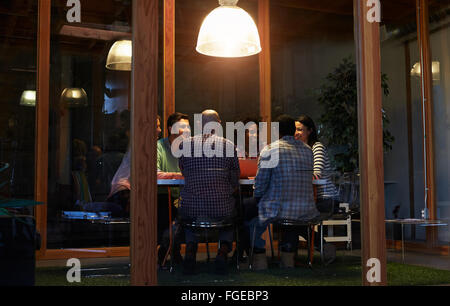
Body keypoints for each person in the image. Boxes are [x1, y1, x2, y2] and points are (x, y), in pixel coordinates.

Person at [244, 115, 319, 270]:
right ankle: (288, 258)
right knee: (291, 214)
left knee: (246, 210)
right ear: (293, 130)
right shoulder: (307, 151)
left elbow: (260, 184)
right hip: (305, 208)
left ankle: (259, 257)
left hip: (278, 208)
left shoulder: (270, 150)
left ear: (277, 131)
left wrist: (258, 197)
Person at [178, 110, 240, 275]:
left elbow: (184, 172)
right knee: (231, 213)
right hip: (221, 207)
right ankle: (222, 252)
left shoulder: (185, 145)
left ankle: (190, 251)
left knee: (189, 214)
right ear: (218, 124)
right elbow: (235, 179)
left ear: (199, 124)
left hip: (192, 207)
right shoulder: (228, 145)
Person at [295, 114, 338, 264]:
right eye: (295, 129)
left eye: (300, 129)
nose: (296, 133)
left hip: (326, 199)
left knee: (294, 218)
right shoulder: (301, 151)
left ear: (310, 131)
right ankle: (323, 247)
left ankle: (324, 247)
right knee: (291, 217)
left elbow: (316, 175)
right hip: (313, 198)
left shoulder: (316, 147)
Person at [156, 112, 190, 267]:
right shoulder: (159, 147)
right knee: (168, 208)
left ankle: (169, 247)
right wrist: (179, 175)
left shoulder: (191, 149)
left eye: (188, 127)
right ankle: (171, 249)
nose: (187, 130)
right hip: (162, 194)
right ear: (171, 129)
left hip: (184, 195)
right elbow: (155, 174)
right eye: (182, 126)